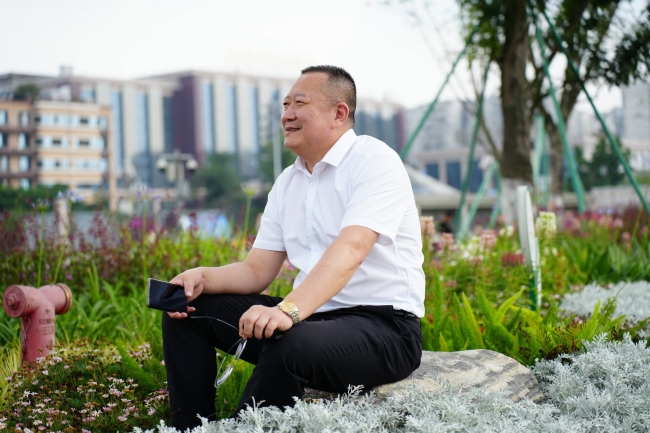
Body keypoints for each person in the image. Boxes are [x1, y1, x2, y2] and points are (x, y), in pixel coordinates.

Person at [162, 65, 425, 431]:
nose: (287, 114)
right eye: (285, 105)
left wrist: (288, 310)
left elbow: (351, 249)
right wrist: (201, 278)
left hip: (385, 328)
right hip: (313, 319)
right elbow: (257, 271)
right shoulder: (288, 181)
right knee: (187, 309)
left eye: (300, 103)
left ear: (339, 113)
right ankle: (190, 427)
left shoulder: (374, 160)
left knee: (292, 344)